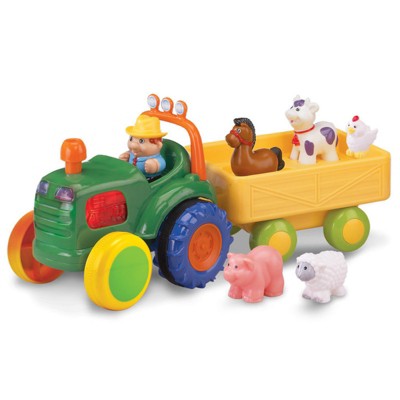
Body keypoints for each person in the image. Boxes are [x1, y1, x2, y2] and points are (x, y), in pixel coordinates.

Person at [119, 115, 167, 180]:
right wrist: (126, 157)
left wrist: (155, 165)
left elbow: (162, 164)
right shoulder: (132, 153)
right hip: (133, 176)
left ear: (158, 145)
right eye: (131, 139)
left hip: (150, 179)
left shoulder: (156, 158)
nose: (133, 144)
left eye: (141, 141)